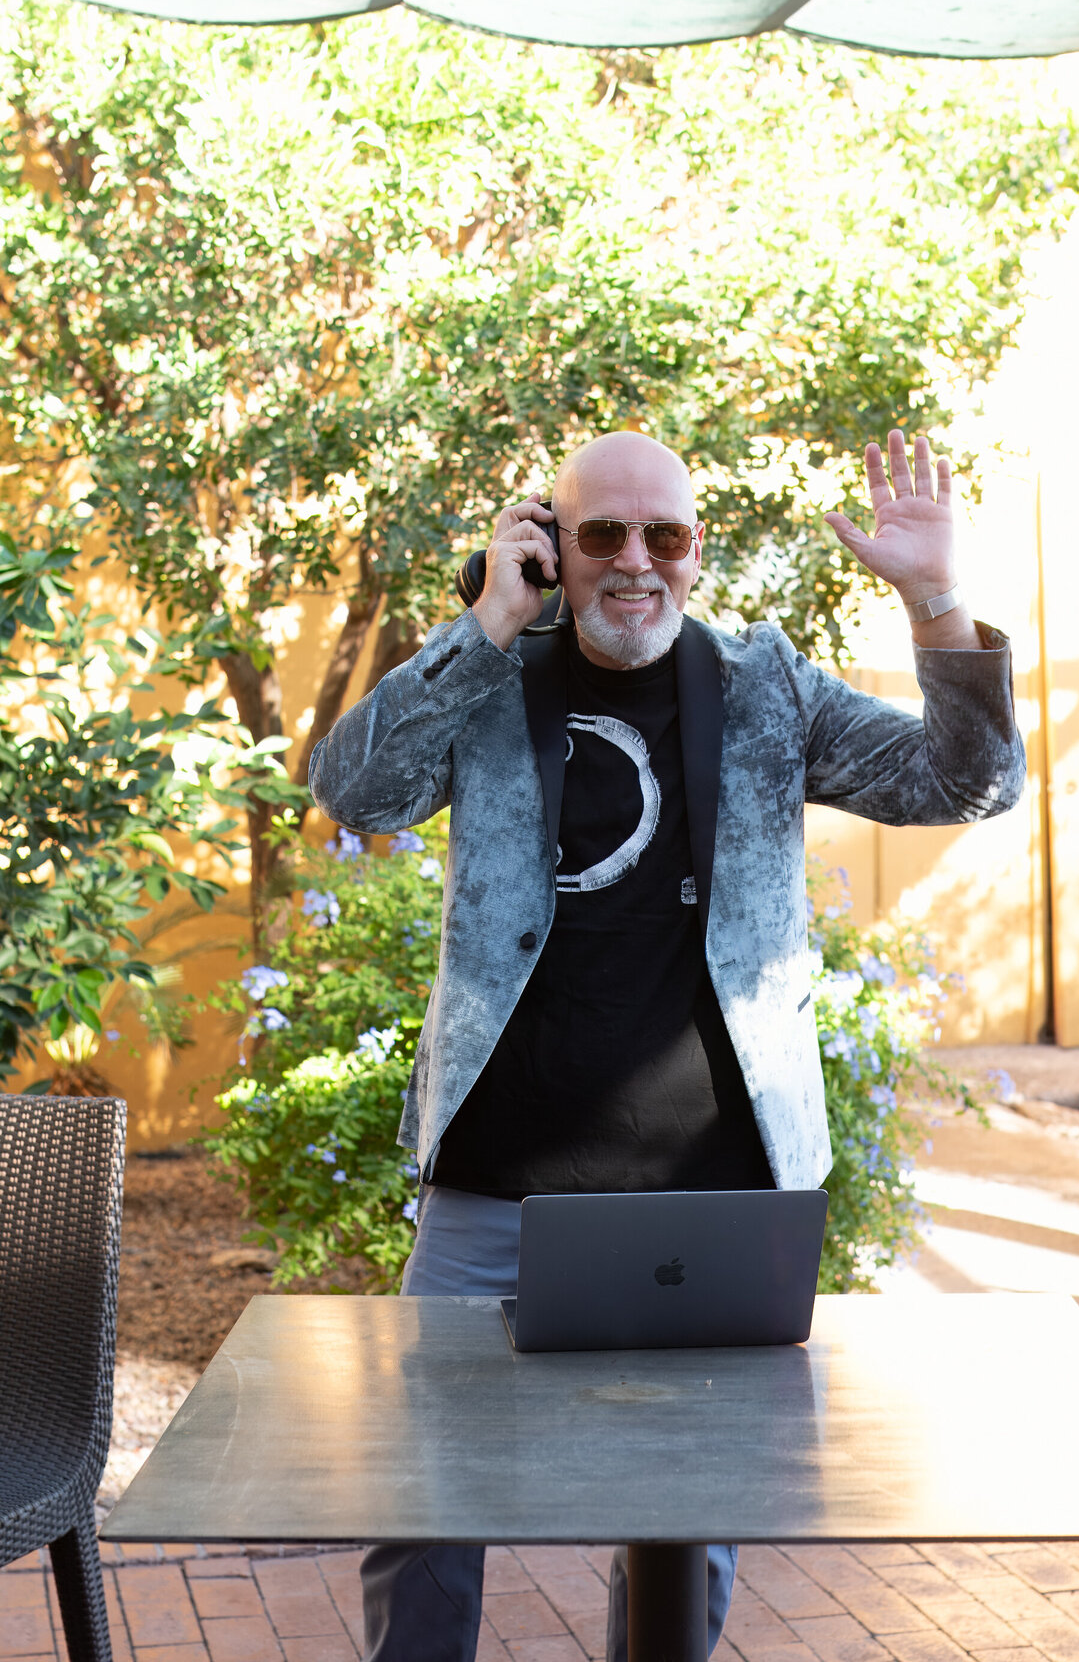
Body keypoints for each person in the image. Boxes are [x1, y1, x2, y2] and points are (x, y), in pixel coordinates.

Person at [308, 427, 1025, 1662]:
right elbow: (355, 793)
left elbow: (966, 787)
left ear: (698, 552)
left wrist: (936, 603)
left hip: (714, 1195)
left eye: (665, 536)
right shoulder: (490, 679)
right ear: (548, 541)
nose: (634, 562)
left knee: (693, 1526)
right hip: (496, 1188)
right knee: (422, 1508)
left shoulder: (766, 689)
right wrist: (485, 621)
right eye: (600, 535)